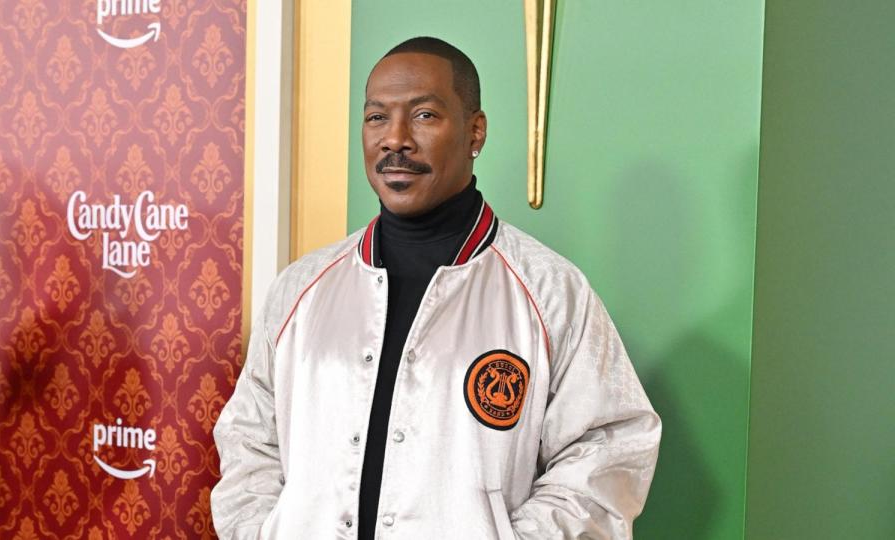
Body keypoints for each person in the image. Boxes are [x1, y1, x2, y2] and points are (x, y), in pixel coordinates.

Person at [212, 36, 661, 539]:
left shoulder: (550, 291)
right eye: (377, 117)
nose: (395, 139)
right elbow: (249, 442)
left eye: (424, 115)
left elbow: (609, 453)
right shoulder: (301, 288)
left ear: (476, 131)